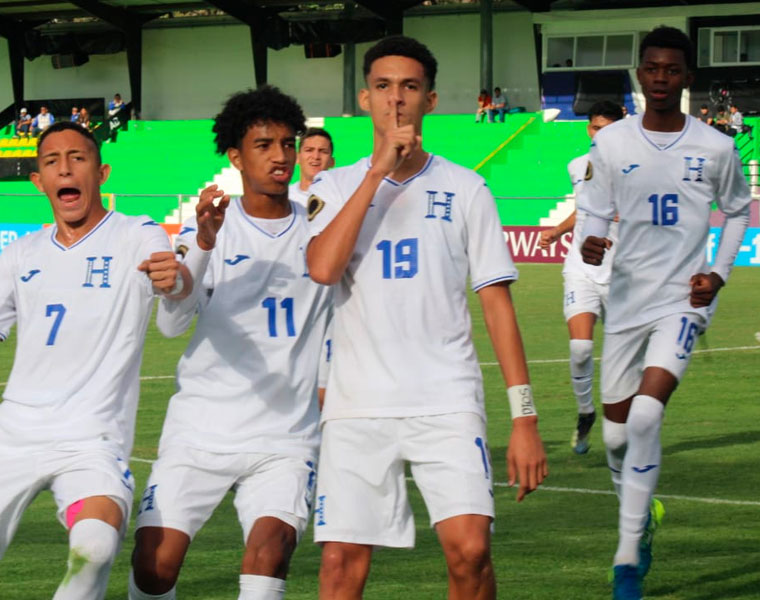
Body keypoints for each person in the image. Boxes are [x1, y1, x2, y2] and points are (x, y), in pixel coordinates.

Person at [0, 120, 188, 600]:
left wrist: (173, 278)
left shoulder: (137, 234)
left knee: (95, 544)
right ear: (38, 181)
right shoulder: (19, 254)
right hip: (12, 434)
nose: (65, 168)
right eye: (51, 162)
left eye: (78, 158)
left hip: (92, 438)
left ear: (101, 172)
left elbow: (170, 277)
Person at [305, 35, 548, 600]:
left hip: (446, 398)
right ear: (364, 99)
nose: (396, 100)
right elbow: (321, 268)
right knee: (340, 566)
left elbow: (496, 304)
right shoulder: (334, 185)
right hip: (357, 405)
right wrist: (375, 176)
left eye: (409, 87)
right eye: (384, 87)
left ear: (431, 100)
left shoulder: (467, 188)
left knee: (471, 553)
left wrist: (525, 417)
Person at [129, 85, 332, 600]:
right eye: (264, 145)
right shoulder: (207, 228)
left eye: (288, 143)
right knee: (154, 568)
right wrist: (201, 244)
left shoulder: (323, 230)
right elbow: (172, 326)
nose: (281, 156)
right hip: (200, 430)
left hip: (284, 437)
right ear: (236, 156)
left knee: (270, 553)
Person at [577, 26, 751, 600]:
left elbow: (740, 212)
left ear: (686, 78)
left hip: (682, 299)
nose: (660, 78)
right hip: (626, 301)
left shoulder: (716, 147)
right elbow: (594, 213)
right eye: (651, 68)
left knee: (647, 418)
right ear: (639, 74)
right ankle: (643, 515)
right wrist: (592, 242)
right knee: (614, 439)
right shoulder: (612, 145)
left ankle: (627, 560)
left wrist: (718, 273)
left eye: (671, 70)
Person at [537, 99, 623, 455]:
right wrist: (558, 230)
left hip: (623, 274)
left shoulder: (637, 168)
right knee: (581, 347)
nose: (599, 134)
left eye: (607, 128)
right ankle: (586, 412)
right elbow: (583, 207)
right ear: (588, 129)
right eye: (594, 127)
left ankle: (623, 424)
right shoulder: (577, 166)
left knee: (624, 360)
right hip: (581, 269)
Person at [288, 127, 337, 408]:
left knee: (323, 395)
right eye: (309, 150)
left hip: (330, 308)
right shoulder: (284, 200)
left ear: (332, 160)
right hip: (291, 306)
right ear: (297, 157)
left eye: (323, 152)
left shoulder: (342, 198)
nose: (315, 157)